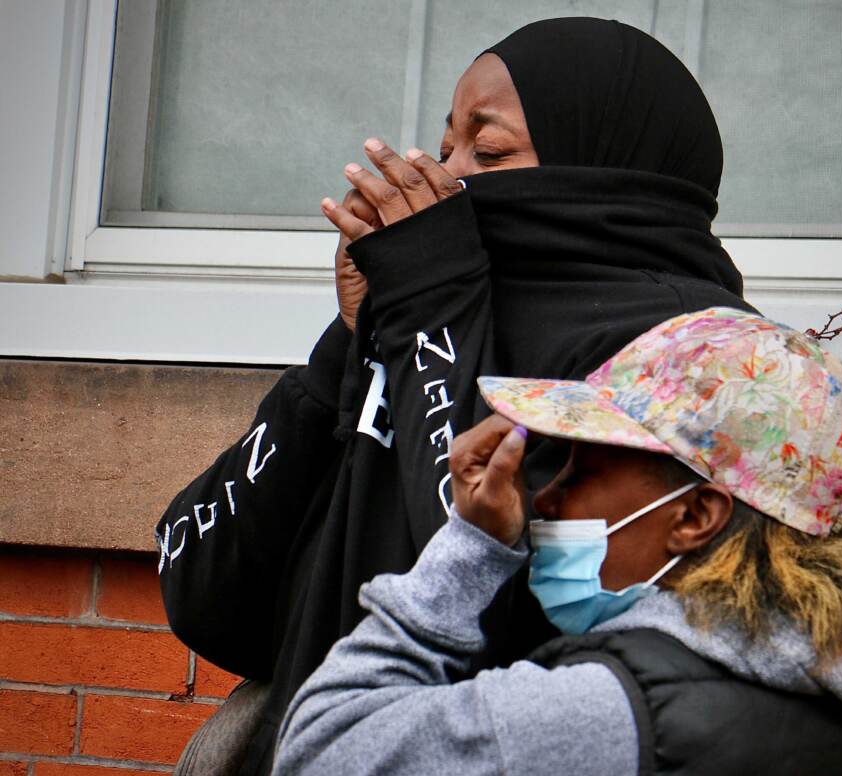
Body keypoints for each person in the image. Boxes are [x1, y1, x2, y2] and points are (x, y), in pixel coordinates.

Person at [156, 18, 753, 773]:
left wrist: (435, 307)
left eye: (489, 150)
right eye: (445, 151)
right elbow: (205, 592)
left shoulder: (691, 352)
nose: (444, 180)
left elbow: (514, 608)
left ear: (606, 164)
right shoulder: (421, 305)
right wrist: (348, 340)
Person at [273, 307, 842, 775]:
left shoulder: (605, 710)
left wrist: (471, 550)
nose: (546, 496)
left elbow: (319, 752)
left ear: (695, 516)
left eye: (584, 470)